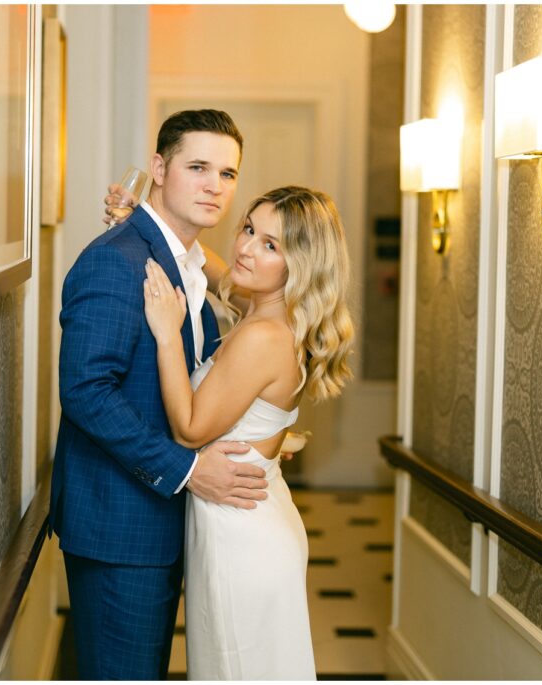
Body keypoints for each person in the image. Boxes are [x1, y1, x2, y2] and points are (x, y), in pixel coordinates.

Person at [51, 109, 272, 680]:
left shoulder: (186, 264)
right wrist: (188, 470)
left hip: (160, 524)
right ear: (158, 168)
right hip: (119, 528)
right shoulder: (115, 261)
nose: (214, 186)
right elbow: (84, 391)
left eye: (227, 173)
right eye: (197, 166)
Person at [140, 185, 354, 679]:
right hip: (251, 517)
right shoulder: (267, 311)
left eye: (270, 245)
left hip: (242, 538)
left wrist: (167, 334)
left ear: (300, 265)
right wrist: (147, 215)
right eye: (249, 228)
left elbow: (191, 429)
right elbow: (208, 262)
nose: (245, 247)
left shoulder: (262, 335)